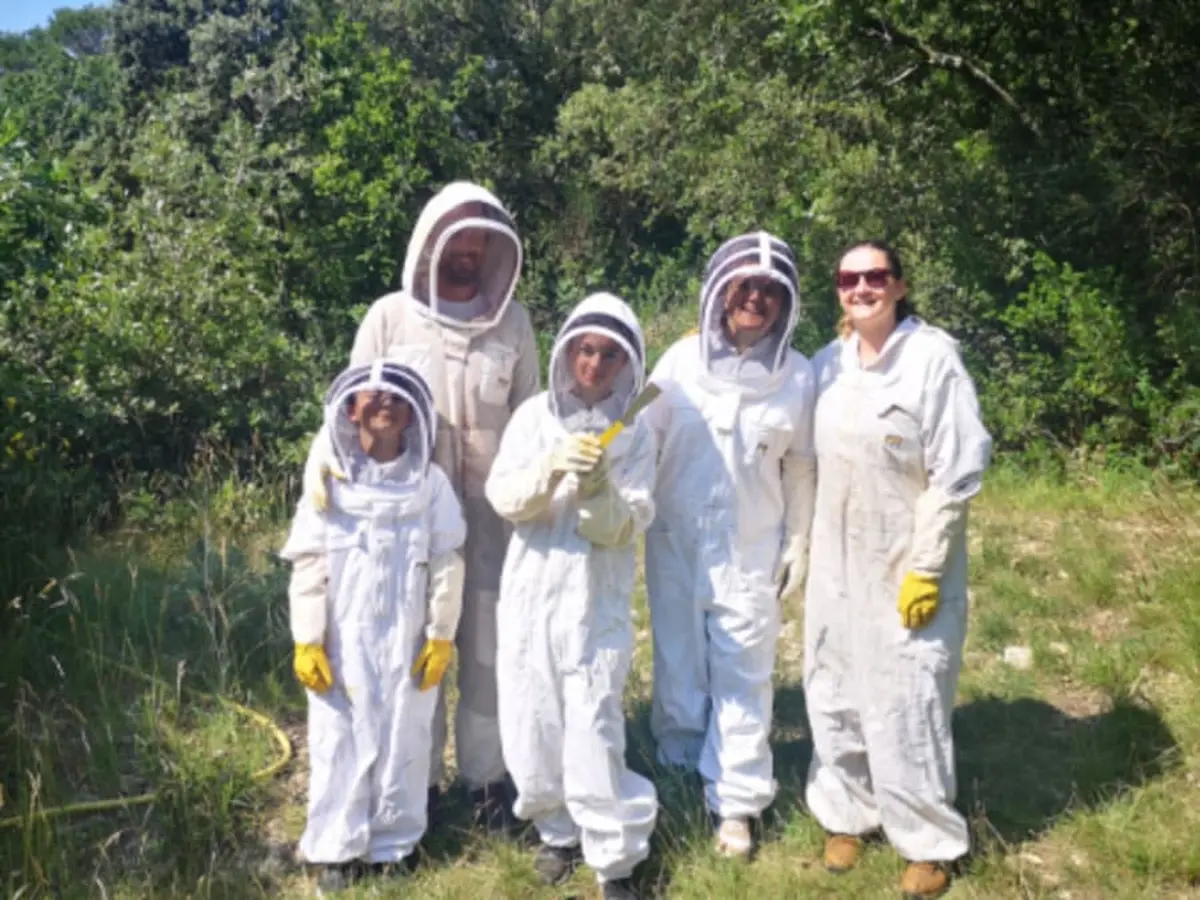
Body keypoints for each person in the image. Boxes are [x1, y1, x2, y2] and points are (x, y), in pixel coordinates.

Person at [302, 181, 540, 831]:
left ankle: (488, 780)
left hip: (493, 521)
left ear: (494, 246)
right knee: (415, 650)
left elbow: (530, 418)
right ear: (429, 239)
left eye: (479, 238)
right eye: (455, 235)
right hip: (407, 522)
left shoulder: (513, 322)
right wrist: (323, 463)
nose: (467, 249)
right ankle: (419, 782)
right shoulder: (388, 318)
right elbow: (348, 409)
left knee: (489, 655)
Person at [803, 240, 992, 899]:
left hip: (903, 558)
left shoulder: (933, 360)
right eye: (849, 278)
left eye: (875, 277)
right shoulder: (829, 364)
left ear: (901, 285)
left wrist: (929, 565)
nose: (862, 288)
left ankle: (927, 840)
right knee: (835, 685)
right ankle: (849, 813)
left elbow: (958, 469)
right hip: (835, 556)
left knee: (907, 695)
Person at [642, 232, 817, 859]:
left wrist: (800, 540)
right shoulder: (678, 361)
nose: (756, 300)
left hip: (751, 547)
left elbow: (800, 465)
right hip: (674, 542)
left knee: (745, 672)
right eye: (745, 287)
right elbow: (637, 429)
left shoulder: (798, 377)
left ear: (785, 304)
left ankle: (737, 801)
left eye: (770, 292)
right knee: (679, 657)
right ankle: (680, 761)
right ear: (720, 294)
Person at [484, 293, 658, 900]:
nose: (594, 364)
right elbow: (505, 498)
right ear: (567, 352)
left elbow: (623, 527)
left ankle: (614, 860)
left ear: (626, 365)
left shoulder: (634, 434)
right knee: (533, 720)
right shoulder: (533, 418)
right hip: (532, 591)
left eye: (609, 355)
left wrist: (598, 486)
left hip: (595, 600)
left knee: (593, 724)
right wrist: (553, 467)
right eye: (585, 350)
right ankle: (556, 833)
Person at [281, 360, 466, 893]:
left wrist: (440, 633)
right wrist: (307, 639)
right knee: (338, 738)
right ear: (350, 408)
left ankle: (394, 842)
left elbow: (448, 556)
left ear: (413, 417)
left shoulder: (429, 483)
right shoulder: (329, 483)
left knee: (403, 732)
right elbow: (310, 562)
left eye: (397, 399)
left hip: (408, 636)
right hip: (342, 638)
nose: (385, 404)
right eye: (373, 396)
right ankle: (336, 848)